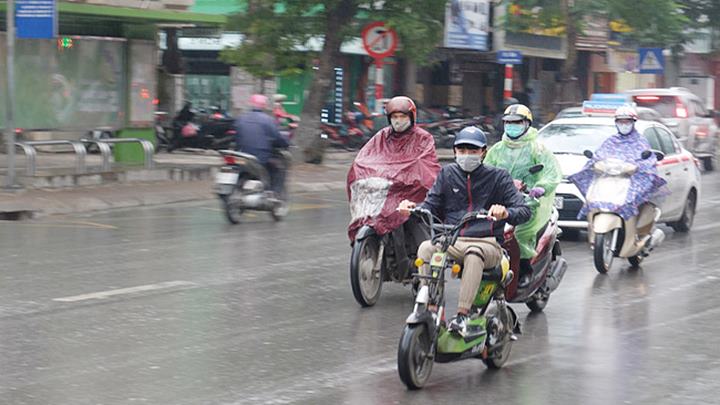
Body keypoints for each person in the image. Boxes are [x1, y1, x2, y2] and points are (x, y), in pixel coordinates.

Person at [398, 126, 531, 335]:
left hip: (487, 244)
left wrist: (505, 212)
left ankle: (462, 315)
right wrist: (413, 208)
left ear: (483, 152)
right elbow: (430, 204)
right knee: (425, 248)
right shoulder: (447, 173)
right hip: (453, 239)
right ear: (454, 151)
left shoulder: (499, 177)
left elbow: (523, 211)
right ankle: (431, 308)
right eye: (462, 150)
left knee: (473, 254)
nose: (466, 155)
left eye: (472, 150)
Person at [346, 96, 440, 273]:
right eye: (394, 117)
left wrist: (406, 175)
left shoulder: (423, 138)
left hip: (411, 191)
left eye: (402, 116)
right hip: (388, 190)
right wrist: (359, 170)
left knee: (416, 223)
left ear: (411, 117)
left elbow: (425, 164)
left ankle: (424, 266)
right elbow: (365, 157)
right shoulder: (382, 136)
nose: (398, 121)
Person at [483, 103, 561, 287]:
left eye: (517, 122)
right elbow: (484, 172)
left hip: (529, 202)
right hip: (499, 201)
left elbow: (551, 172)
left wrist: (540, 187)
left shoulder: (537, 149)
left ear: (527, 124)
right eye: (508, 122)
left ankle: (525, 268)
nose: (512, 125)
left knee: (520, 233)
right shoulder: (496, 149)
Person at [569, 105, 668, 221]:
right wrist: (596, 163)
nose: (624, 125)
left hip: (631, 181)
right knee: (593, 201)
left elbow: (648, 161)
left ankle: (631, 234)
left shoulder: (640, 142)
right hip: (609, 181)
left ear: (633, 123)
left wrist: (637, 167)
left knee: (631, 201)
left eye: (627, 122)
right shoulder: (611, 141)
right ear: (616, 123)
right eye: (621, 122)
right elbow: (599, 156)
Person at [234, 94, 290, 198]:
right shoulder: (268, 120)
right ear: (264, 105)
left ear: (251, 104)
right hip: (260, 157)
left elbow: (236, 136)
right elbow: (277, 137)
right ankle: (274, 194)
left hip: (241, 155)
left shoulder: (241, 118)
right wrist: (285, 143)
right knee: (279, 168)